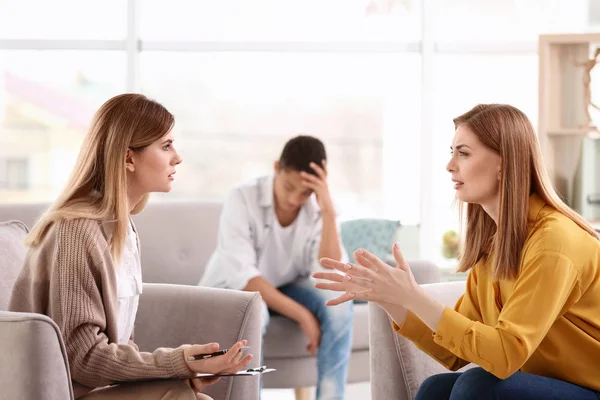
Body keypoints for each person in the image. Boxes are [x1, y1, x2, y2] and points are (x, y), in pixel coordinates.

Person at [312, 104, 600, 399]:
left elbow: (505, 355)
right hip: (552, 384)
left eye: (463, 153)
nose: (450, 165)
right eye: (452, 152)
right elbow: (452, 353)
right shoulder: (496, 246)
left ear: (504, 162)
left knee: (476, 386)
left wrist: (414, 295)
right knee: (435, 389)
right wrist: (392, 299)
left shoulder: (554, 242)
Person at [9, 93, 253, 400]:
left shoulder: (124, 230)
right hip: (61, 393)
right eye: (166, 146)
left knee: (190, 395)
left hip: (95, 390)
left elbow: (118, 350)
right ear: (128, 158)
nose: (177, 157)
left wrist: (183, 375)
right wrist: (180, 362)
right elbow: (82, 358)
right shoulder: (76, 232)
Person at [199, 135, 353, 400]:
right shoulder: (242, 197)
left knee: (338, 304)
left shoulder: (317, 207)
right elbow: (244, 276)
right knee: (256, 314)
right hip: (233, 287)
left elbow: (329, 271)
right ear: (276, 168)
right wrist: (302, 315)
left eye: (305, 192)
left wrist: (328, 211)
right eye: (289, 186)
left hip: (286, 285)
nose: (295, 199)